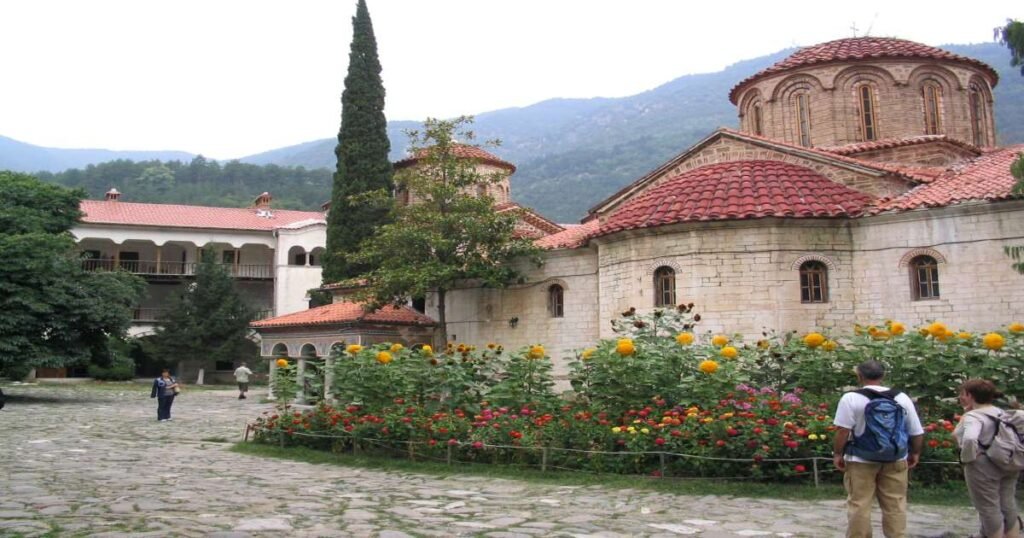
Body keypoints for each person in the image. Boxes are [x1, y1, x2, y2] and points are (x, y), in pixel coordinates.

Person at [832, 360, 925, 538]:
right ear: (883, 376)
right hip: (895, 458)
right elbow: (916, 431)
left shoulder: (851, 398)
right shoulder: (901, 398)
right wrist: (915, 453)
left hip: (861, 459)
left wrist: (838, 453)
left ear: (859, 376)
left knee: (860, 503)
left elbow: (843, 430)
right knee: (895, 504)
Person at [954, 379, 1022, 538]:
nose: (960, 397)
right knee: (1008, 503)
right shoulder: (1001, 412)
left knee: (988, 507)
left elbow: (970, 438)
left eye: (962, 394)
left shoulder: (973, 416)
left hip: (983, 466)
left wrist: (967, 458)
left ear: (969, 395)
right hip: (1008, 462)